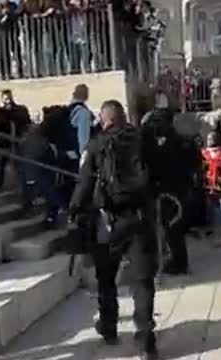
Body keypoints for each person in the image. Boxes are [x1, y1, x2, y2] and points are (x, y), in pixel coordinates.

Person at [69, 100, 158, 359]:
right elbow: (156, 176)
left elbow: (84, 183)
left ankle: (109, 327)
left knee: (106, 278)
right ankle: (145, 341)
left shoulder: (96, 145)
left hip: (107, 223)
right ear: (122, 117)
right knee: (143, 281)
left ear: (104, 119)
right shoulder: (142, 140)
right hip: (140, 220)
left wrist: (74, 210)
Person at [142, 91, 196, 275]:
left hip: (166, 188)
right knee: (173, 226)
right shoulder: (178, 137)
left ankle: (178, 263)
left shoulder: (160, 137)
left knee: (172, 226)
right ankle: (176, 260)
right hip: (178, 187)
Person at [0, 89, 31, 190]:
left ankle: (24, 187)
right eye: (5, 99)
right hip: (4, 142)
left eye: (9, 98)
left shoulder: (19, 110)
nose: (8, 101)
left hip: (17, 141)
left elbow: (26, 123)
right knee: (0, 165)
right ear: (2, 100)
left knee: (19, 167)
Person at [69, 84, 95, 155]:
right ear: (86, 96)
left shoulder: (70, 109)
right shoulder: (83, 112)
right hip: (78, 155)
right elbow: (83, 138)